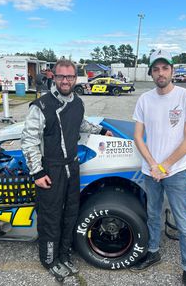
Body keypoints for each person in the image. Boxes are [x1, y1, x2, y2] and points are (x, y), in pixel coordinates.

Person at [21, 59, 113, 281]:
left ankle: (64, 254)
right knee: (51, 217)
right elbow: (29, 141)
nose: (65, 80)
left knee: (71, 213)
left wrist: (102, 130)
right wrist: (37, 173)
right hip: (50, 169)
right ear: (54, 76)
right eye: (61, 76)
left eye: (70, 77)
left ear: (75, 79)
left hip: (72, 166)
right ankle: (50, 260)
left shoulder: (77, 102)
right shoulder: (41, 106)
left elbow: (81, 124)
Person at [130, 49, 186, 286]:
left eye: (165, 68)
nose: (160, 73)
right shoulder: (144, 99)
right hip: (152, 171)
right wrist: (153, 165)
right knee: (152, 214)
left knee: (182, 220)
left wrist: (165, 166)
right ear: (151, 72)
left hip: (177, 171)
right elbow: (138, 136)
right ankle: (153, 252)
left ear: (172, 70)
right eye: (156, 69)